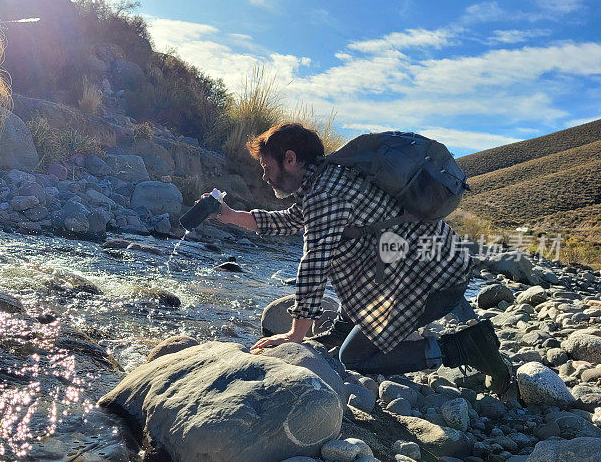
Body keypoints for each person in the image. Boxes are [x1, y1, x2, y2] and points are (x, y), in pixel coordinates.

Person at [211, 122, 513, 395]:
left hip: (433, 284)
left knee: (353, 357)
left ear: (289, 159)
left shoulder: (324, 194)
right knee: (351, 329)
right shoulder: (328, 178)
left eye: (265, 165)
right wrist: (233, 216)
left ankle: (464, 348)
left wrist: (295, 334)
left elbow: (315, 263)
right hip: (430, 269)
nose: (264, 175)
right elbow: (291, 220)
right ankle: (348, 326)